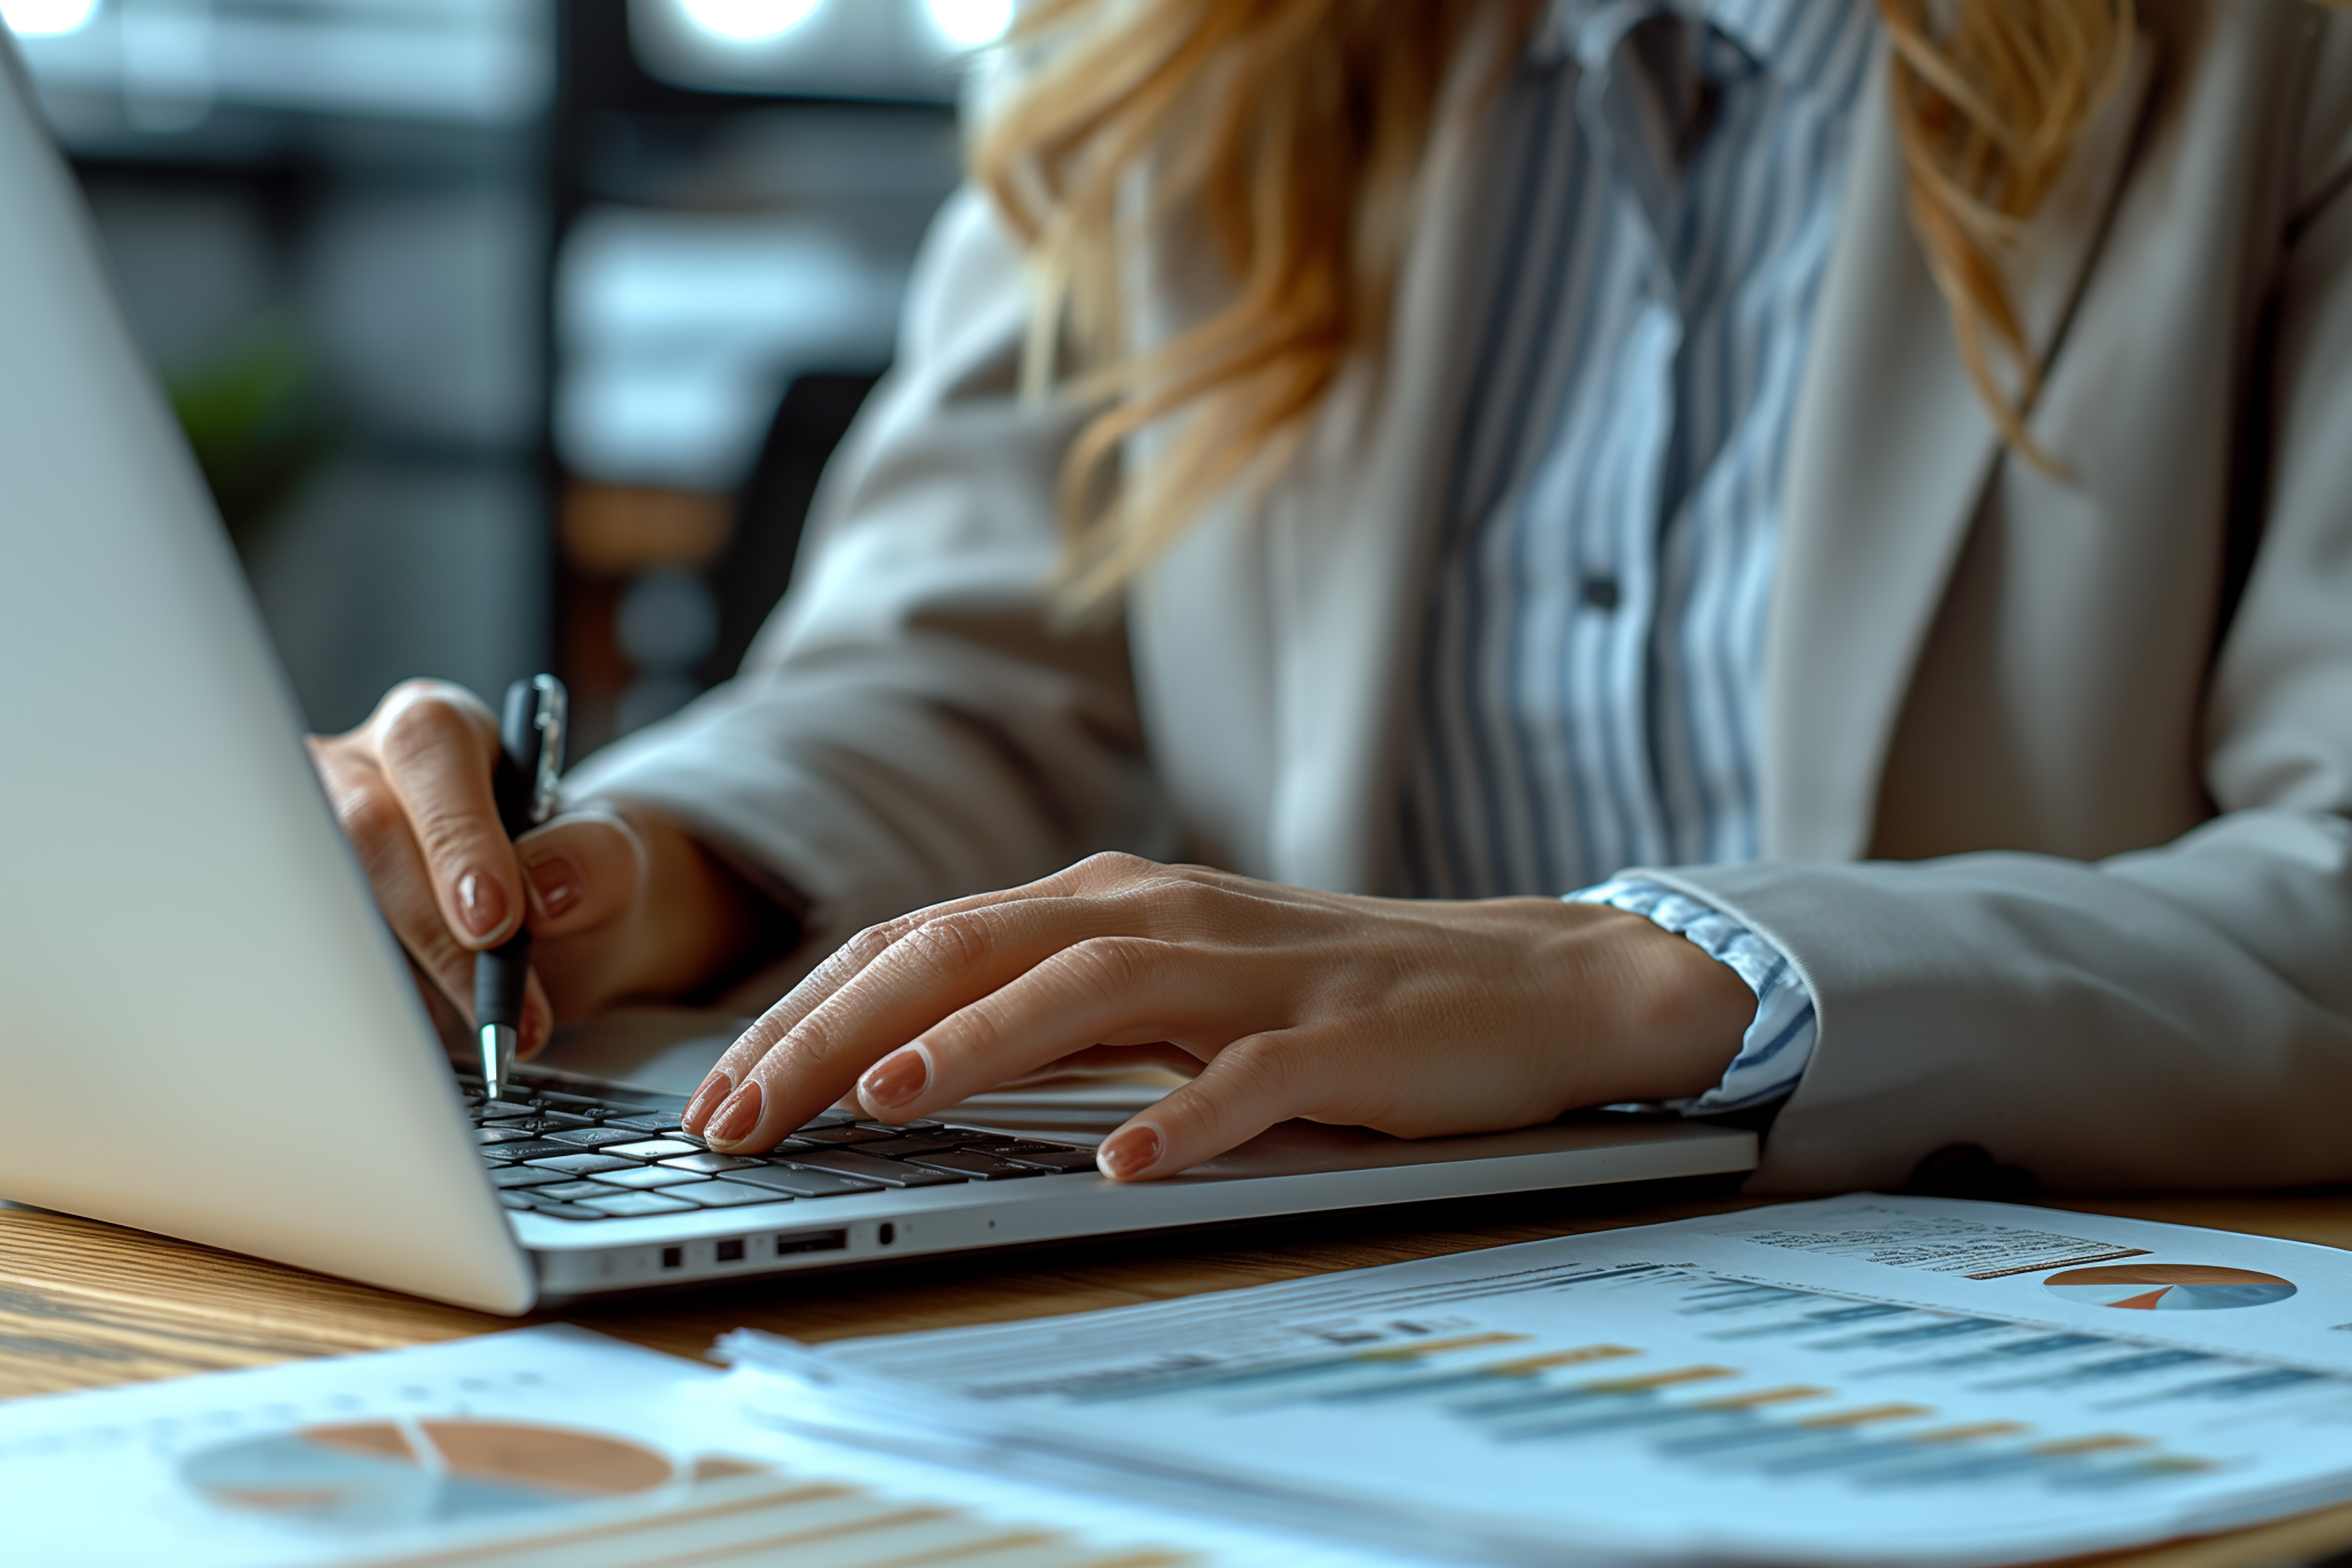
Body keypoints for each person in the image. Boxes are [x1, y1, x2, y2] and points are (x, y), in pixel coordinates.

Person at [309, 0, 2352, 1194]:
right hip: (1303, 1315)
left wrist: (1627, 983)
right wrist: (623, 870)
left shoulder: (2280, 68)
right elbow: (957, 675)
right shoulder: (1173, 57)